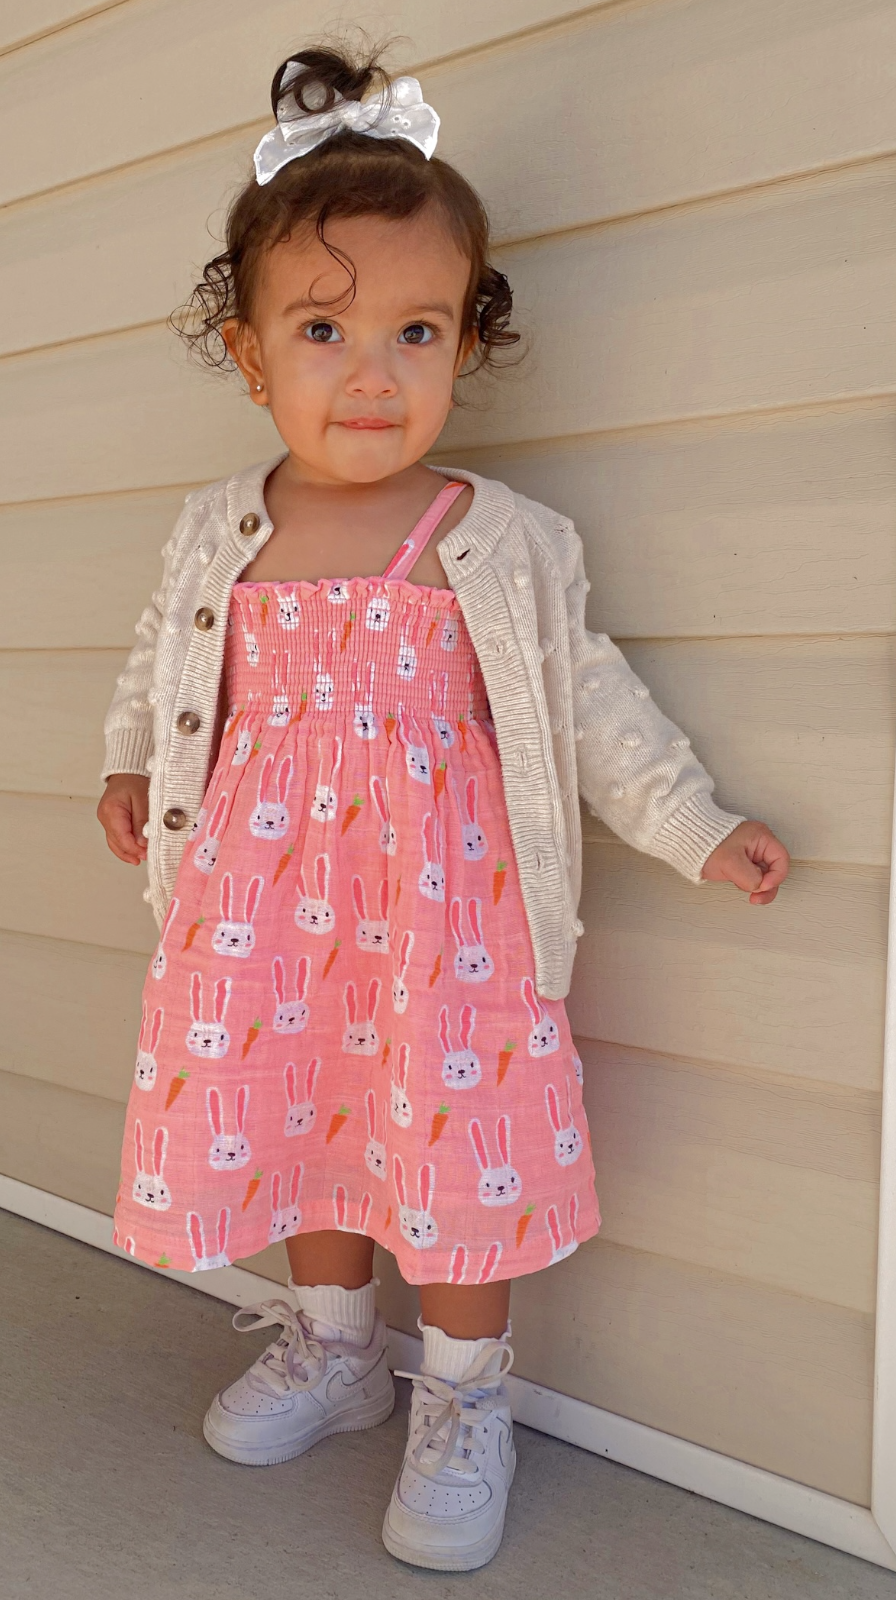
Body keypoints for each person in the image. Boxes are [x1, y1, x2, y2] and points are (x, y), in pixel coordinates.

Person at [96, 44, 789, 1573]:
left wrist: (690, 822)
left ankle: (466, 1400)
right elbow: (161, 661)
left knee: (454, 1149)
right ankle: (337, 1350)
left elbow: (593, 703)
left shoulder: (501, 539)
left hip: (442, 929)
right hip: (263, 918)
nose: (372, 373)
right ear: (247, 347)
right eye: (324, 330)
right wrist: (132, 765)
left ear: (468, 341)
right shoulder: (221, 529)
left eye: (416, 330)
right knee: (301, 1122)